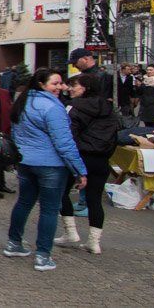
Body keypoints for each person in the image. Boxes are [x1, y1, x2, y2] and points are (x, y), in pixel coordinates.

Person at [4, 68, 87, 272]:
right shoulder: (52, 107)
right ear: (42, 84)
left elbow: (15, 133)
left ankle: (14, 243)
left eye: (61, 83)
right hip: (50, 164)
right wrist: (79, 170)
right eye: (55, 83)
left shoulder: (23, 102)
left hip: (26, 162)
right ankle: (43, 255)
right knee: (49, 209)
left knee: (24, 202)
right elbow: (64, 142)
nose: (60, 87)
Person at [55, 73, 117, 255]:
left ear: (86, 88)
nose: (70, 88)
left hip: (79, 156)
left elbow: (68, 135)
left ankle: (70, 232)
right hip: (101, 159)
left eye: (75, 85)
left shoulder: (73, 107)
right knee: (95, 200)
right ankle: (94, 242)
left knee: (61, 193)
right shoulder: (108, 107)